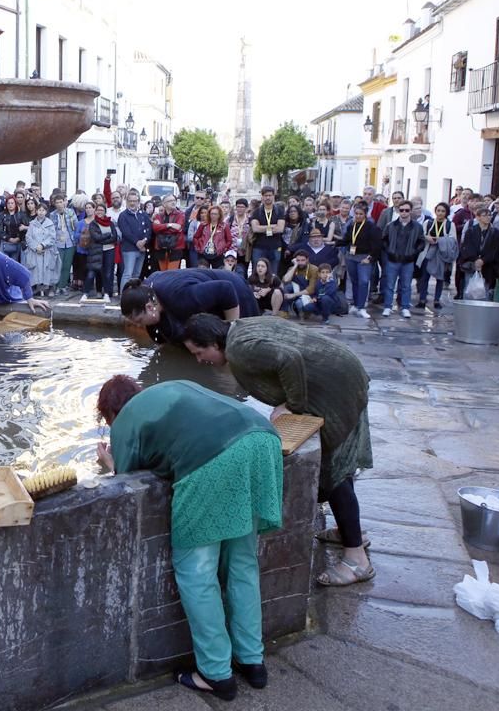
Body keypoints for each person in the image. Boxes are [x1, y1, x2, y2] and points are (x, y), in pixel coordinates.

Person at [95, 377, 282, 701]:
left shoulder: (123, 420)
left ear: (109, 412)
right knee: (241, 563)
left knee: (197, 572)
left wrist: (109, 463)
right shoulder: (170, 388)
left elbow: (125, 482)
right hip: (262, 439)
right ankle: (252, 660)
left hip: (214, 457)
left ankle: (216, 673)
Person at [181, 314, 375, 588]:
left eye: (200, 352)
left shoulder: (239, 349)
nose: (200, 360)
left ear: (214, 341)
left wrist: (293, 405)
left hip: (337, 385)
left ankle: (357, 560)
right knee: (336, 467)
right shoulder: (241, 328)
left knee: (334, 473)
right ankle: (349, 533)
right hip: (342, 372)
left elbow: (288, 358)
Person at [120, 269, 258, 344]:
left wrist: (230, 333)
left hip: (236, 292)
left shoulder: (180, 296)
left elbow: (226, 289)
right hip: (206, 293)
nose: (138, 326)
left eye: (138, 321)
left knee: (241, 343)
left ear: (150, 307)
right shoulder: (145, 292)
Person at [379, 201, 424, 318]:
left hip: (408, 260)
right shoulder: (391, 225)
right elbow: (384, 240)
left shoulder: (417, 227)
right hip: (393, 259)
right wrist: (389, 251)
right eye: (402, 210)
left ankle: (405, 307)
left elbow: (421, 242)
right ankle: (387, 307)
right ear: (398, 211)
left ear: (411, 211)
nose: (404, 212)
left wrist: (414, 253)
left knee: (406, 285)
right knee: (389, 285)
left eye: (407, 210)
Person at [339, 202, 381, 319]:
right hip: (351, 257)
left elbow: (377, 245)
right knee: (355, 281)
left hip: (364, 258)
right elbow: (346, 240)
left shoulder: (372, 227)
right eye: (356, 214)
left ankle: (362, 307)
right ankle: (356, 305)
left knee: (363, 282)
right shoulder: (352, 225)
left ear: (365, 214)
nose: (358, 216)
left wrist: (370, 258)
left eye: (360, 214)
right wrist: (332, 243)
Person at [415, 202, 456, 313]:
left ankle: (437, 300)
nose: (440, 213)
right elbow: (421, 235)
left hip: (441, 254)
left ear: (446, 212)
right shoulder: (428, 222)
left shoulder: (449, 224)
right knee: (424, 276)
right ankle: (422, 299)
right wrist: (427, 237)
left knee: (440, 277)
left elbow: (453, 240)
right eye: (438, 210)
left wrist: (441, 240)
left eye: (443, 211)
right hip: (428, 252)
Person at [460, 206, 499, 299]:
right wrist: (476, 259)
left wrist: (483, 260)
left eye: (489, 215)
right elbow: (467, 247)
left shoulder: (495, 232)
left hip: (488, 265)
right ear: (478, 217)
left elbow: (495, 250)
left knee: (484, 291)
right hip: (472, 263)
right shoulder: (471, 230)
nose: (488, 217)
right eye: (484, 215)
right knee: (469, 289)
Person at [22, 202, 59, 298]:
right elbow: (28, 237)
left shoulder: (50, 224)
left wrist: (43, 245)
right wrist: (35, 247)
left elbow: (52, 237)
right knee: (36, 269)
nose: (41, 212)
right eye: (39, 210)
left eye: (43, 210)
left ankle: (50, 288)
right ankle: (37, 288)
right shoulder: (32, 224)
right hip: (35, 251)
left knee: (48, 269)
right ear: (36, 211)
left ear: (46, 212)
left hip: (47, 250)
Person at [117, 190, 152, 291]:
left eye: (135, 201)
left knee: (137, 274)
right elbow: (126, 232)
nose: (132, 203)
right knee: (128, 273)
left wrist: (145, 241)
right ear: (127, 201)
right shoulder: (123, 215)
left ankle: (133, 295)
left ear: (138, 202)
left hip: (142, 249)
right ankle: (124, 295)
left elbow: (149, 229)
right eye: (130, 201)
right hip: (129, 249)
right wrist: (137, 243)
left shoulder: (143, 215)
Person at [249, 186, 286, 275]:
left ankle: (271, 288)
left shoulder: (279, 211)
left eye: (270, 195)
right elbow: (255, 229)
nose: (268, 197)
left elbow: (280, 228)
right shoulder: (256, 212)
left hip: (275, 246)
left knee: (273, 272)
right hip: (259, 246)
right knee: (257, 272)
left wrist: (262, 227)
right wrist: (273, 226)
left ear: (273, 196)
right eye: (265, 195)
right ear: (262, 197)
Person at [84, 202, 117, 300]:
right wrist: (107, 236)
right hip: (97, 251)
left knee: (108, 273)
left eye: (102, 210)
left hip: (109, 250)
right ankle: (88, 293)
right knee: (94, 272)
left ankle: (106, 293)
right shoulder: (93, 224)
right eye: (98, 210)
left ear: (105, 212)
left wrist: (102, 239)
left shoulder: (110, 223)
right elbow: (96, 237)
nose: (99, 212)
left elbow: (114, 237)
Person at [152, 195, 187, 271]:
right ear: (164, 204)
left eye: (174, 200)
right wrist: (169, 225)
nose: (173, 202)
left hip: (176, 247)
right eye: (170, 201)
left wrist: (161, 227)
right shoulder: (158, 216)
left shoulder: (181, 214)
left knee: (172, 273)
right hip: (161, 247)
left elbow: (177, 228)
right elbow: (155, 228)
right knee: (163, 273)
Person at [194, 205, 232, 269]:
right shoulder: (203, 225)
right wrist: (198, 247)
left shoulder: (224, 226)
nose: (213, 216)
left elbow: (229, 240)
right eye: (212, 214)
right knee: (203, 271)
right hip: (203, 253)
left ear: (219, 215)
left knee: (218, 273)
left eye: (215, 214)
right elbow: (196, 237)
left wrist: (224, 249)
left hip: (218, 254)